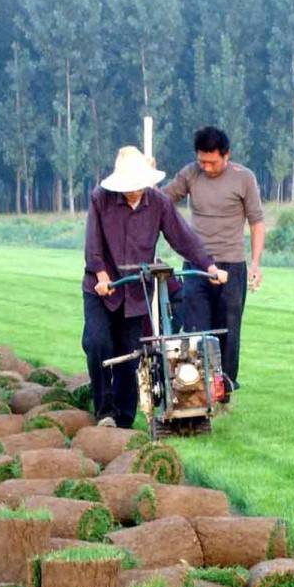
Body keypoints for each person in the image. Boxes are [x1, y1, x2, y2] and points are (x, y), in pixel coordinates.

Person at [82, 145, 226, 428]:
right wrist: (100, 274)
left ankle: (123, 419)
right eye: (129, 186)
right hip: (102, 289)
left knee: (131, 354)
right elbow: (93, 243)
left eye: (138, 186)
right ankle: (104, 412)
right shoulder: (100, 198)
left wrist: (209, 266)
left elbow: (183, 238)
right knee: (99, 344)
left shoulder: (159, 203)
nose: (133, 191)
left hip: (136, 291)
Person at [164, 126, 265, 395]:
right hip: (197, 266)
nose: (206, 168)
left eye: (212, 162)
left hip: (232, 266)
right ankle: (195, 388)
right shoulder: (189, 174)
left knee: (228, 333)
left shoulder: (244, 178)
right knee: (196, 332)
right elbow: (162, 200)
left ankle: (224, 388)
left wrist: (255, 263)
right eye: (202, 161)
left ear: (226, 154)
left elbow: (256, 222)